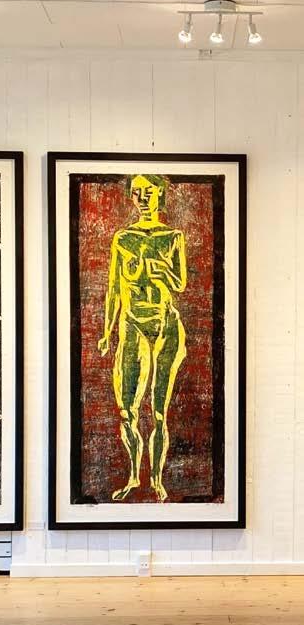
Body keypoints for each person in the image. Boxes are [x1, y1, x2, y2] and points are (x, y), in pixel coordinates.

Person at [97, 174, 187, 502]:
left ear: (159, 194)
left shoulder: (173, 236)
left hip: (164, 325)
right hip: (132, 323)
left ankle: (158, 481)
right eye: (137, 193)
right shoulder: (123, 238)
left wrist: (160, 270)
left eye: (148, 191)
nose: (143, 198)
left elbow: (179, 284)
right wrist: (106, 331)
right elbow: (113, 288)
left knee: (159, 412)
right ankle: (135, 476)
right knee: (127, 410)